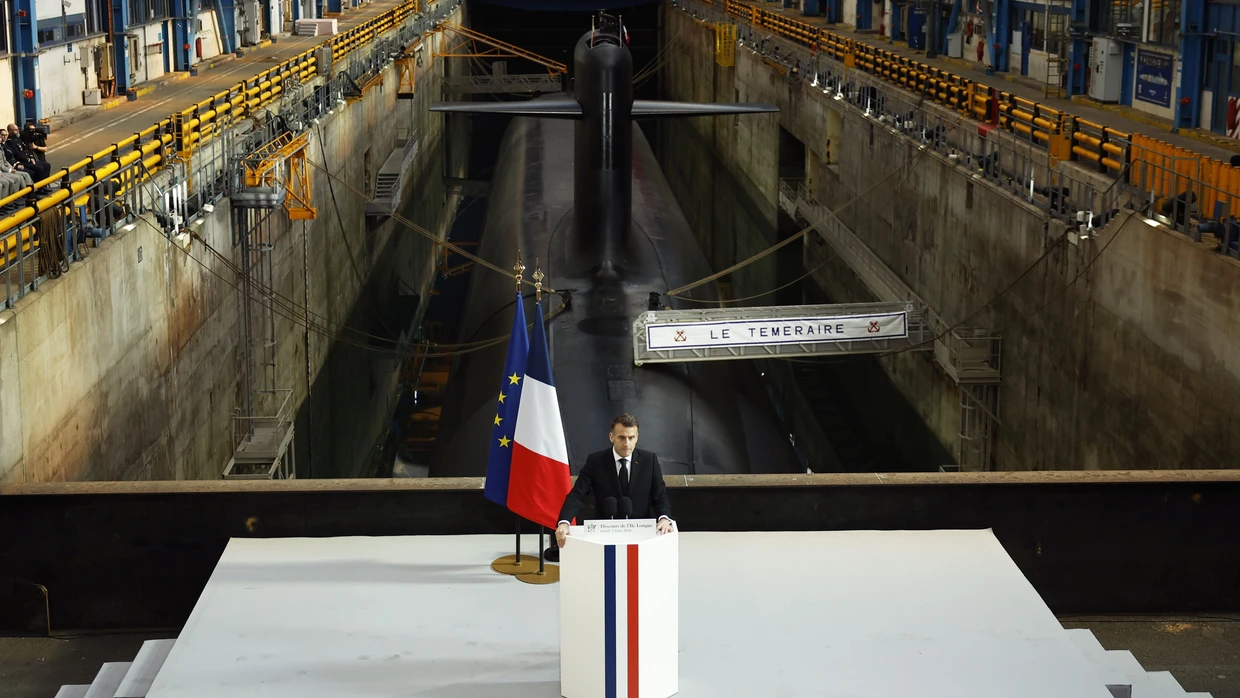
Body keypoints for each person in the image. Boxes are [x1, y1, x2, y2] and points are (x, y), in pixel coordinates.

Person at [555, 413, 674, 549]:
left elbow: (660, 495)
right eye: (622, 437)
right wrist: (564, 522)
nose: (627, 443)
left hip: (641, 535)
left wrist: (664, 518)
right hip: (604, 535)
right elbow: (578, 494)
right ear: (612, 437)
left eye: (631, 437)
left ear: (637, 437)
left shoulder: (649, 460)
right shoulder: (596, 461)